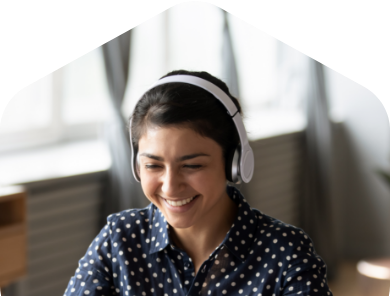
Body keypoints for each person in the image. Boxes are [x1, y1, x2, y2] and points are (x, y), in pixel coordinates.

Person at [64, 70, 333, 295]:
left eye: (192, 165)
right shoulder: (118, 241)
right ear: (136, 166)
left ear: (234, 163)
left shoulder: (286, 254)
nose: (169, 186)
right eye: (153, 165)